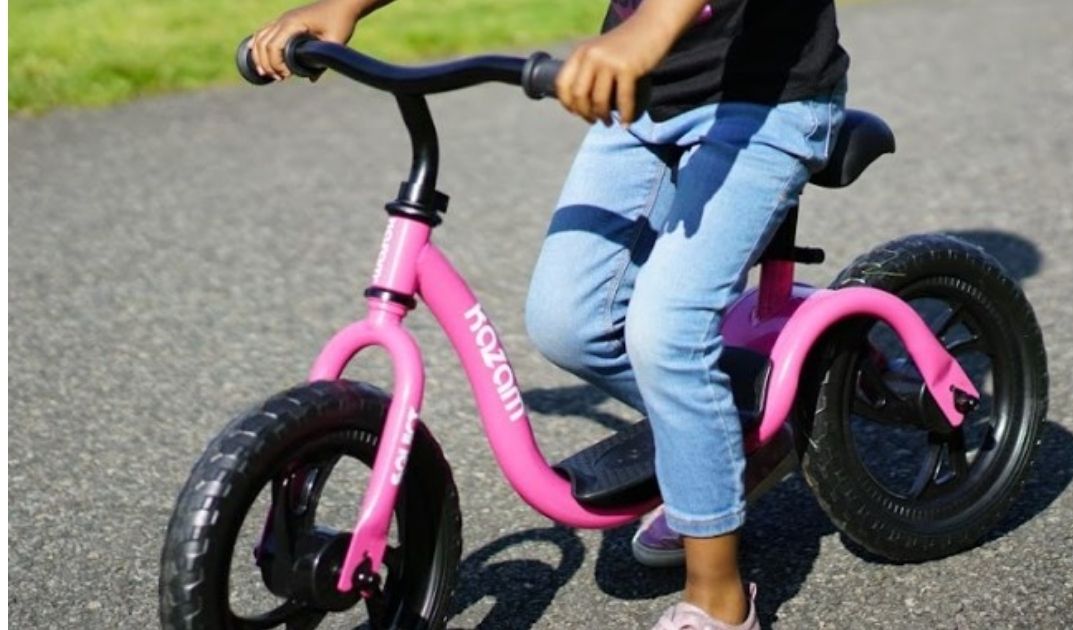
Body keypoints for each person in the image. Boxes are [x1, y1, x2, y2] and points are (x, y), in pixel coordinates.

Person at [252, 0, 847, 626]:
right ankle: (729, 443)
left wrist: (652, 25)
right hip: (644, 99)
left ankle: (719, 596)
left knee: (666, 332)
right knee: (570, 324)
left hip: (767, 101)